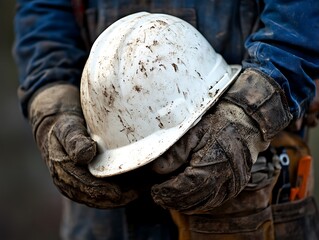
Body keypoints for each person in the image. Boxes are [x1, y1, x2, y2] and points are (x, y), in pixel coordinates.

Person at [13, 0, 319, 239]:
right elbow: (43, 10)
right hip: (105, 173)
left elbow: (301, 16)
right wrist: (50, 94)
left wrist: (252, 110)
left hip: (245, 188)